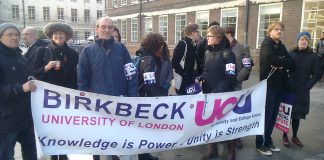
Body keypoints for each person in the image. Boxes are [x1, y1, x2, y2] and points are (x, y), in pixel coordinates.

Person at [77, 16, 138, 160]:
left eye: (110, 27)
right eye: (103, 27)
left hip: (121, 104)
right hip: (98, 107)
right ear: (97, 29)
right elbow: (82, 80)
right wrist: (85, 103)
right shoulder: (87, 51)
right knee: (102, 145)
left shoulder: (121, 49)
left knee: (122, 142)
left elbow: (130, 74)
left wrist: (133, 98)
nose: (106, 30)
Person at [32, 22, 79, 160]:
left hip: (66, 98)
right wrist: (46, 67)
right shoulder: (42, 51)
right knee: (51, 128)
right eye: (56, 34)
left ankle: (64, 154)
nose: (59, 36)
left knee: (64, 127)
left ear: (66, 37)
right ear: (52, 35)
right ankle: (53, 154)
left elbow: (75, 76)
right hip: (47, 98)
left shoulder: (72, 53)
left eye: (62, 34)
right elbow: (33, 73)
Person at [198, 25, 236, 160]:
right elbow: (205, 70)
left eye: (210, 36)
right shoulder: (207, 52)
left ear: (218, 38)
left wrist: (218, 90)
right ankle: (212, 149)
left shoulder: (228, 53)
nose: (207, 38)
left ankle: (232, 151)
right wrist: (200, 77)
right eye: (207, 36)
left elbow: (231, 75)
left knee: (226, 123)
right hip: (208, 93)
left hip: (223, 95)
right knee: (209, 123)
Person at [0, 23, 37, 160]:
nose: (14, 37)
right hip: (6, 121)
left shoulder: (20, 56)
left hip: (26, 119)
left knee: (31, 155)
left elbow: (29, 77)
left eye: (16, 34)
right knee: (6, 156)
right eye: (10, 34)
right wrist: (20, 88)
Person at [257, 21, 295, 156]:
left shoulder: (281, 46)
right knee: (266, 115)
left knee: (273, 116)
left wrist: (281, 64)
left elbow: (291, 62)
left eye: (281, 30)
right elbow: (273, 60)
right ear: (270, 32)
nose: (279, 31)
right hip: (269, 86)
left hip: (280, 86)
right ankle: (260, 143)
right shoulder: (266, 44)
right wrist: (280, 62)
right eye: (276, 29)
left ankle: (268, 140)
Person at [135, 33, 173, 160]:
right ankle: (143, 156)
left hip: (144, 96)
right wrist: (157, 99)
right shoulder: (149, 60)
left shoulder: (145, 56)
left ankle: (144, 154)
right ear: (156, 45)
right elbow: (149, 83)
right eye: (161, 45)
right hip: (145, 97)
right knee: (144, 128)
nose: (162, 47)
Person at [282, 31, 321, 148]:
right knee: (286, 114)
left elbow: (317, 74)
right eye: (301, 39)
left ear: (308, 42)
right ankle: (285, 136)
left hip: (303, 89)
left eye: (305, 40)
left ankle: (294, 136)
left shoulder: (313, 57)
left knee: (297, 114)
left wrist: (308, 86)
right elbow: (283, 68)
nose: (303, 41)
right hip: (289, 88)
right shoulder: (291, 53)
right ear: (298, 41)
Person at [224, 26, 253, 150]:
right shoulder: (222, 47)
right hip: (223, 85)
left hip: (236, 84)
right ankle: (224, 135)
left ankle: (237, 137)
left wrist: (237, 79)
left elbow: (247, 66)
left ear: (229, 34)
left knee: (236, 111)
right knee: (224, 110)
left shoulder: (242, 47)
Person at [172, 23, 200, 95]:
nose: (199, 34)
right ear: (192, 33)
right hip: (183, 81)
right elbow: (174, 62)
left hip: (192, 80)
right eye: (197, 32)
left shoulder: (194, 44)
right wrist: (184, 74)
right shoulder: (183, 44)